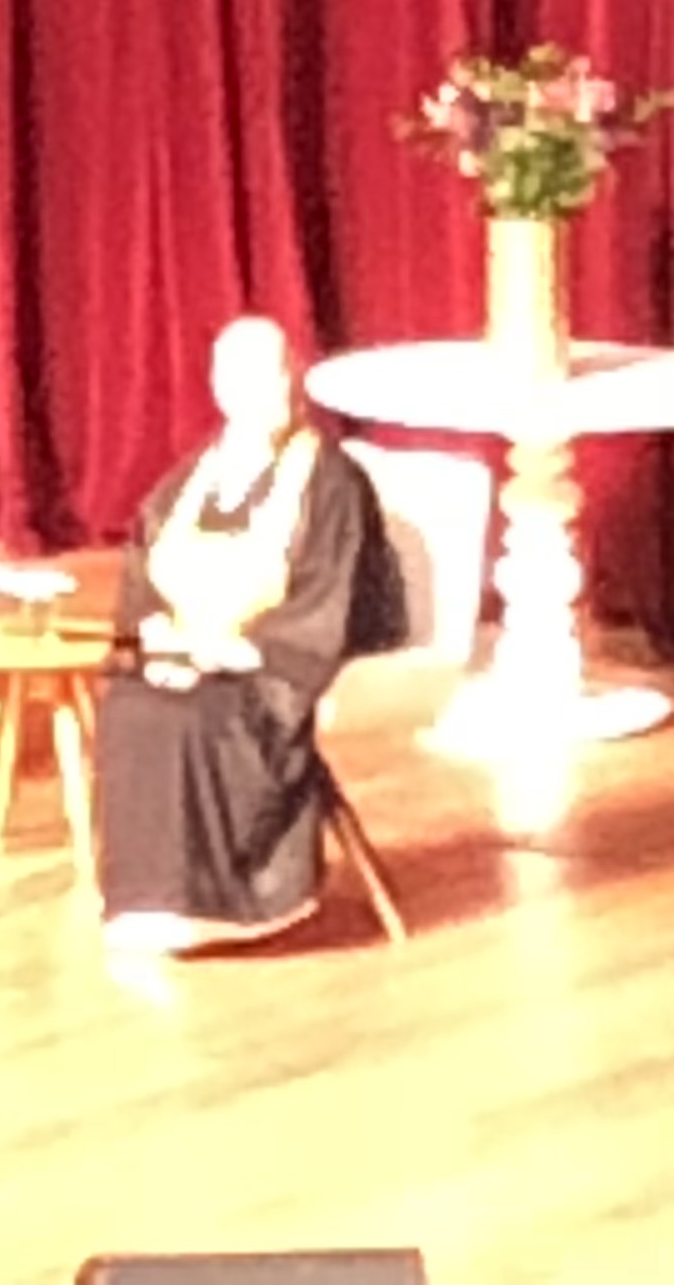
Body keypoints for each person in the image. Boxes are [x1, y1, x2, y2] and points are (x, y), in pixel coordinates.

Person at [91, 311, 402, 955]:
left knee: (189, 718)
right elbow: (144, 567)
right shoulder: (193, 478)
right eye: (248, 378)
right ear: (219, 386)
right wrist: (156, 636)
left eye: (278, 373)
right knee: (132, 706)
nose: (268, 391)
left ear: (295, 377)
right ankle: (145, 899)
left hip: (269, 673)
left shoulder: (331, 482)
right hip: (185, 655)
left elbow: (329, 597)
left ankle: (229, 901)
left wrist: (232, 652)